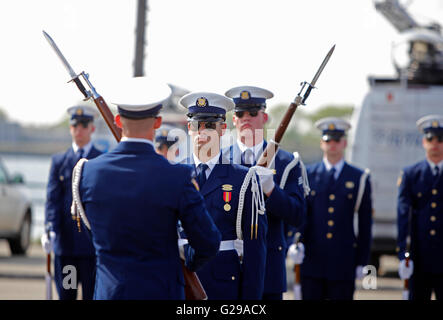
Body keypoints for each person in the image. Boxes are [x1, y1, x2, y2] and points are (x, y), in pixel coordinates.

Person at [71, 78, 221, 299]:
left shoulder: (87, 172)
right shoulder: (178, 176)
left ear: (118, 120)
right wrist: (183, 260)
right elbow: (208, 242)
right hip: (161, 291)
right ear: (158, 122)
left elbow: (88, 231)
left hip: (110, 292)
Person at [179, 92, 268, 300]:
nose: (202, 132)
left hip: (223, 283)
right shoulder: (172, 173)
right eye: (195, 125)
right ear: (188, 128)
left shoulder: (243, 178)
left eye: (210, 125)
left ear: (223, 129)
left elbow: (255, 252)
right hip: (180, 281)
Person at [224, 86, 307, 300]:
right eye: (240, 113)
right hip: (228, 269)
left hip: (268, 270)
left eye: (253, 113)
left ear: (265, 117)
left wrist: (272, 190)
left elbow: (298, 215)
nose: (246, 118)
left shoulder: (286, 162)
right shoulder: (222, 160)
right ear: (233, 119)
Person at [296, 117, 373, 300]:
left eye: (336, 140)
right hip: (312, 261)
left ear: (344, 143)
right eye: (327, 140)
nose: (332, 144)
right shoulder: (308, 174)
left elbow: (365, 224)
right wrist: (295, 242)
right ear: (321, 143)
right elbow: (301, 215)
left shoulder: (359, 177)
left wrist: (362, 261)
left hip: (343, 262)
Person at [42, 105, 102, 300]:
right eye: (75, 125)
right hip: (66, 246)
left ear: (92, 128)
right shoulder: (60, 160)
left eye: (84, 125)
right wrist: (50, 229)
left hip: (92, 247)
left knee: (91, 296)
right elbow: (53, 199)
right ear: (70, 128)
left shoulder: (101, 160)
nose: (79, 130)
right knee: (67, 295)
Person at [397, 114, 443, 300]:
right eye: (431, 138)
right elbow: (403, 216)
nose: (435, 143)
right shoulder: (411, 174)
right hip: (419, 257)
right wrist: (402, 254)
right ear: (424, 141)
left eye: (440, 139)